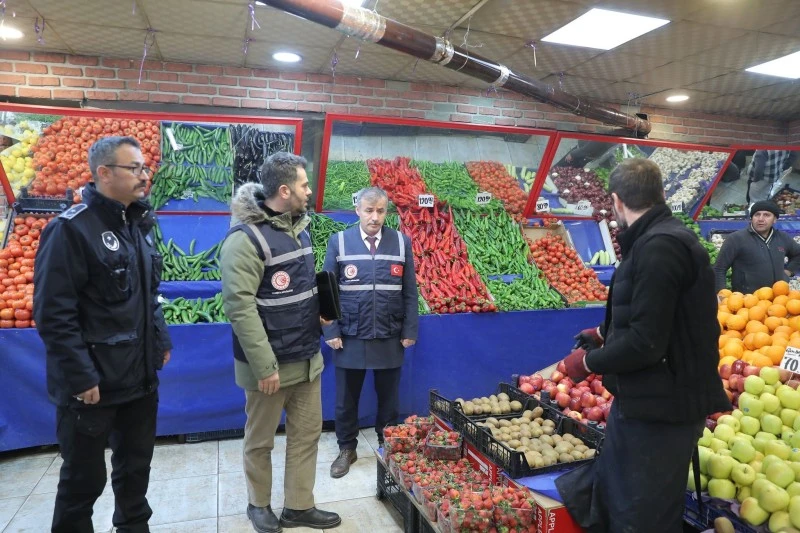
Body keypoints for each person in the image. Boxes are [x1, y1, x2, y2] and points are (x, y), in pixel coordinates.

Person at [555, 159, 730, 533]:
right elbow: (659, 317)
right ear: (662, 193)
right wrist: (604, 333)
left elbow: (646, 343)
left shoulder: (659, 247)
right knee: (623, 502)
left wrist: (587, 363)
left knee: (642, 515)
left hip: (662, 409)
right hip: (650, 402)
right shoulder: (659, 240)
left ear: (616, 201)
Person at [33, 136, 173, 533]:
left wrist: (159, 339)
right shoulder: (70, 230)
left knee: (135, 472)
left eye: (145, 168)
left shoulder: (139, 224)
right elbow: (53, 313)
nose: (144, 175)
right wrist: (80, 375)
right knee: (83, 483)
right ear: (104, 173)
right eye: (135, 168)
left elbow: (149, 295)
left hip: (138, 378)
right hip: (92, 386)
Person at [220, 152, 341, 533]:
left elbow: (299, 290)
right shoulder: (244, 240)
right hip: (269, 367)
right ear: (285, 190)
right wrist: (264, 366)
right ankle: (259, 505)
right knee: (260, 441)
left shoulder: (299, 228)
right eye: (305, 185)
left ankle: (299, 506)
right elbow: (239, 308)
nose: (310, 191)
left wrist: (321, 313)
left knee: (306, 437)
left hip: (307, 359)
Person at [322, 187, 419, 479]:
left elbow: (410, 292)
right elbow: (327, 291)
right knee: (346, 400)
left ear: (386, 212)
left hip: (390, 334)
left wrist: (409, 328)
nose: (374, 217)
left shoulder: (402, 243)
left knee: (389, 399)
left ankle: (386, 444)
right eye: (369, 210)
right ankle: (346, 448)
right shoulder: (338, 242)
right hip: (349, 335)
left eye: (380, 211)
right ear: (358, 210)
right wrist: (331, 330)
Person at [713, 200, 800, 295]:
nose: (761, 219)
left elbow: (797, 254)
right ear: (751, 218)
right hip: (746, 301)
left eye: (766, 215)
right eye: (757, 215)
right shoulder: (736, 239)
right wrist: (722, 296)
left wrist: (788, 271)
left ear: (775, 219)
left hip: (778, 300)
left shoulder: (782, 238)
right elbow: (719, 269)